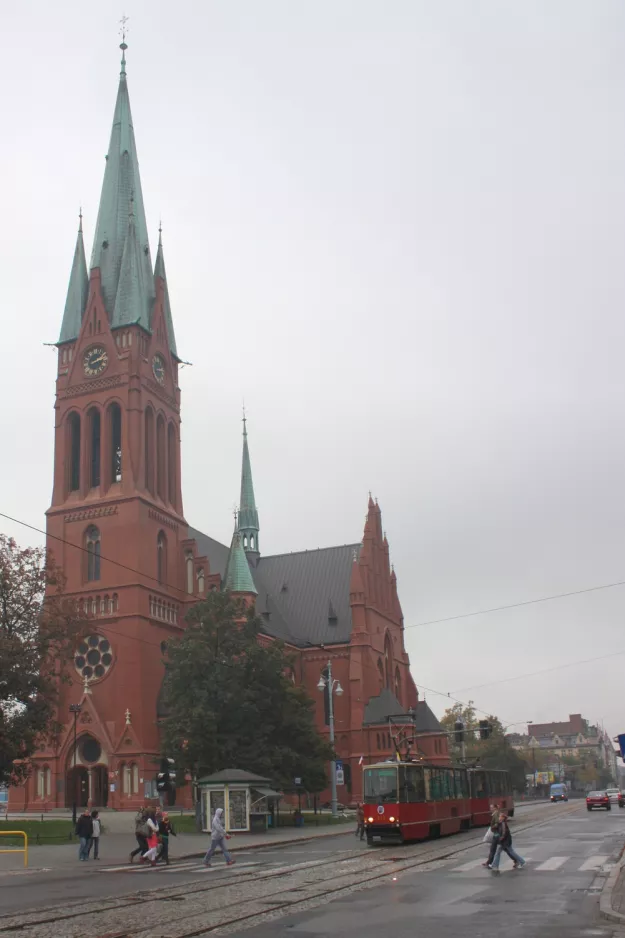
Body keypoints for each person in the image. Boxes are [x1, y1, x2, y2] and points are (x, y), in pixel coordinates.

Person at [483, 803, 502, 869]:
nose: (490, 809)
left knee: (493, 849)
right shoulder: (496, 813)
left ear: (495, 808)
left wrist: (492, 827)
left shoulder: (496, 814)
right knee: (493, 849)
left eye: (491, 807)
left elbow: (497, 823)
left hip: (496, 834)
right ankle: (489, 862)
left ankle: (489, 863)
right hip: (497, 834)